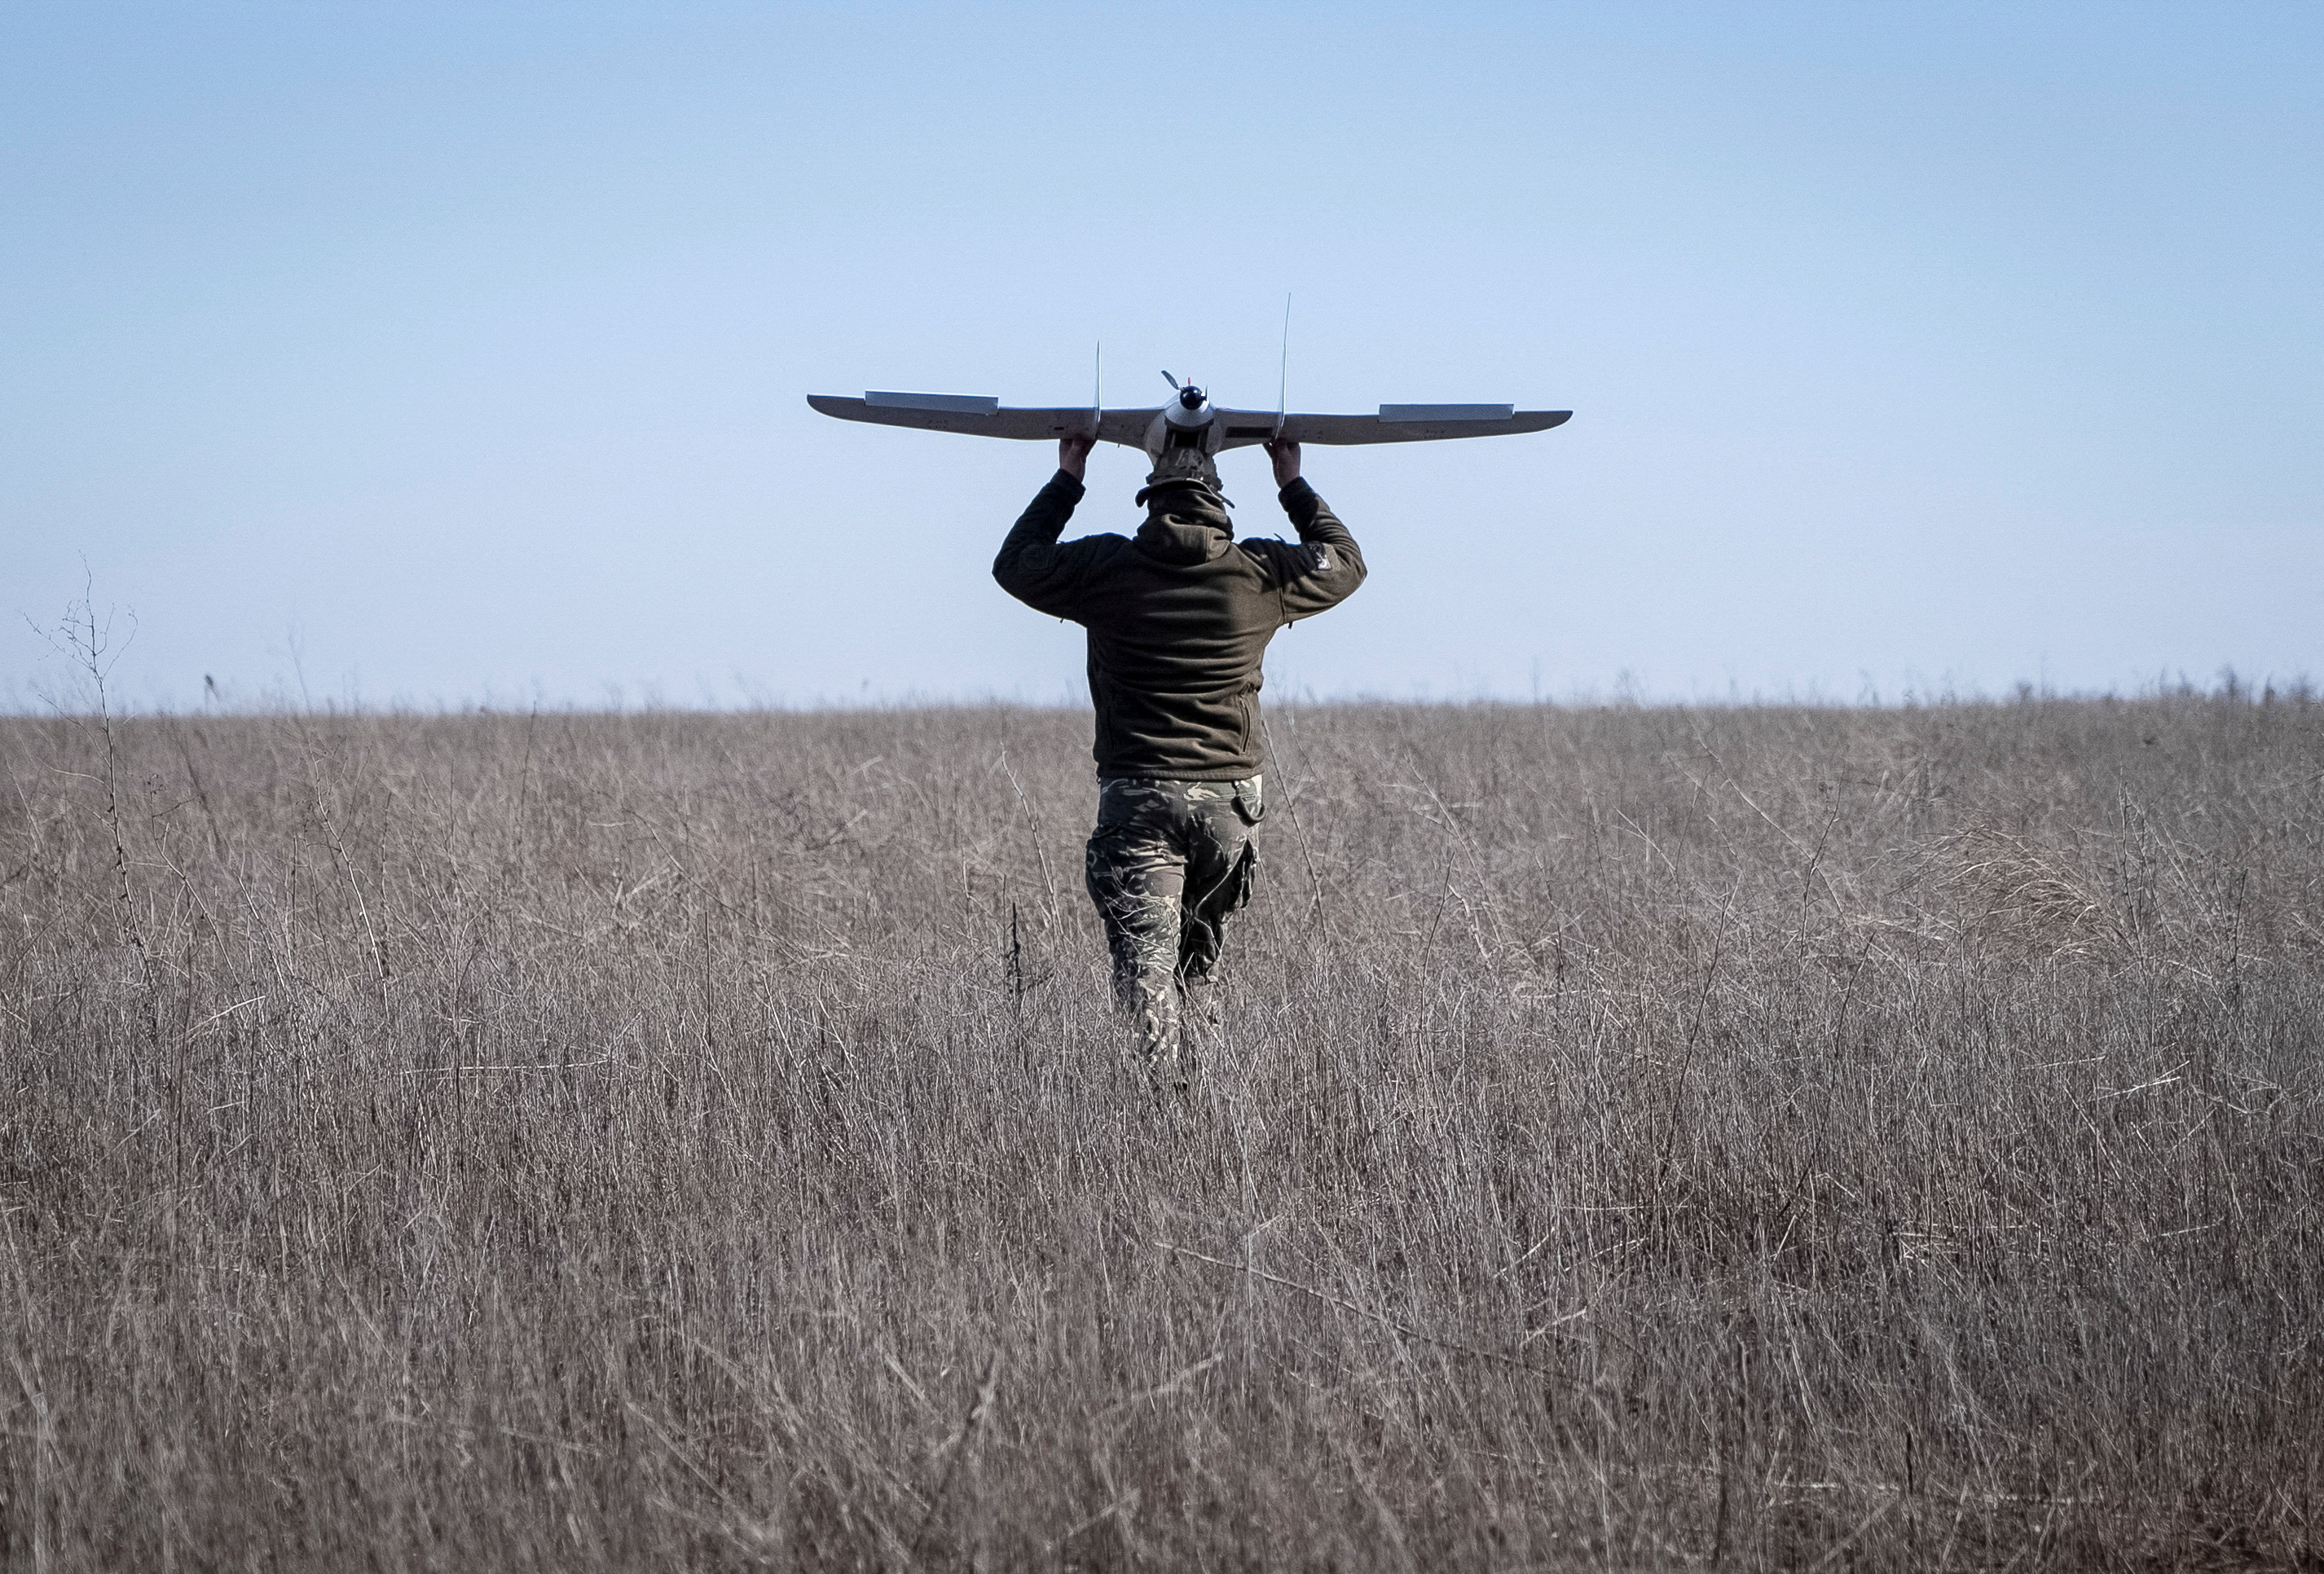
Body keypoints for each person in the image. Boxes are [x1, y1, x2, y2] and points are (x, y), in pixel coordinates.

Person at [993, 432, 1367, 1088]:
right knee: (1200, 965)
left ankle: (1162, 1117)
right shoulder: (1260, 573)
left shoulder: (1105, 568)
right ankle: (1212, 1110)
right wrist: (1292, 482)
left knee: (1145, 973)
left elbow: (1016, 564)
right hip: (1230, 807)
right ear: (1217, 500)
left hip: (1138, 804)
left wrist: (1068, 475)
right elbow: (1345, 562)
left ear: (1151, 499)